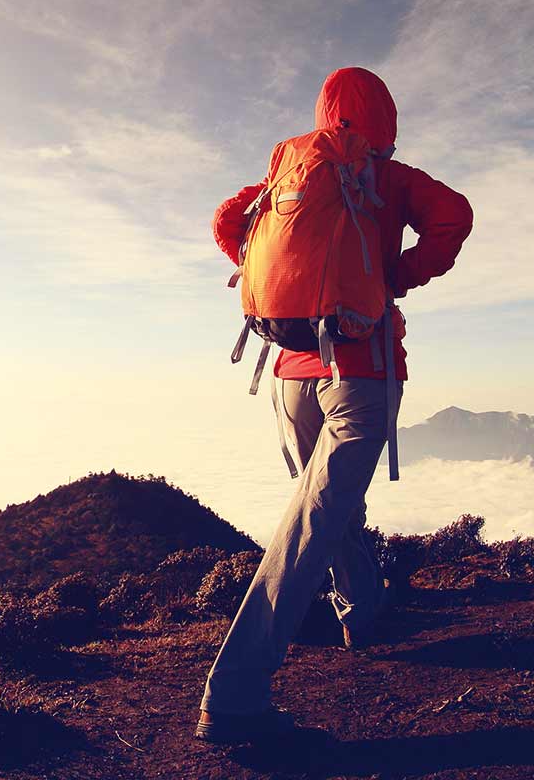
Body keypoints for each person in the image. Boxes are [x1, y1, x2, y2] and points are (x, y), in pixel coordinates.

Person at [195, 66, 472, 744]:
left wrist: (278, 276)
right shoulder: (390, 177)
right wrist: (392, 277)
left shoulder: (291, 170)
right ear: (385, 119)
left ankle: (364, 610)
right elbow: (455, 216)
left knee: (328, 509)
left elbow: (228, 220)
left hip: (288, 371)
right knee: (318, 517)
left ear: (324, 112)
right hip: (361, 363)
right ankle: (233, 694)